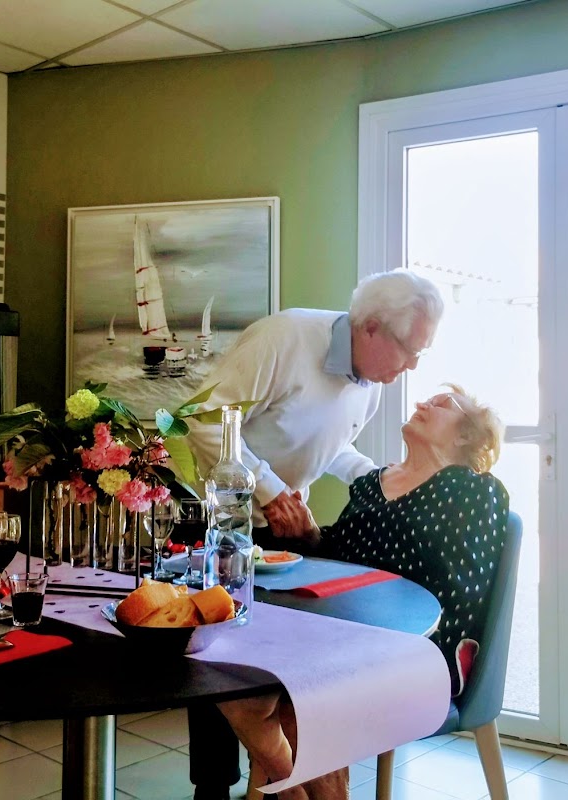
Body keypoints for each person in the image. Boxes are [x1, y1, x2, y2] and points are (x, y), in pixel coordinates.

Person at [184, 270, 444, 800]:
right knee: (213, 655)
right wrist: (270, 490)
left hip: (282, 532)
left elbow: (333, 446)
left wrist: (379, 477)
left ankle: (279, 783)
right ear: (370, 327)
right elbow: (204, 420)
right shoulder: (284, 338)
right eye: (409, 350)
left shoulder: (370, 386)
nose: (413, 366)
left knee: (278, 671)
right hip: (219, 517)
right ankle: (212, 789)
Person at [218, 386, 510, 799]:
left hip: (420, 651)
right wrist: (309, 533)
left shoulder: (475, 491)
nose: (423, 403)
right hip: (341, 639)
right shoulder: (371, 484)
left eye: (441, 404)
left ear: (466, 435)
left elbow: (461, 596)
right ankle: (292, 791)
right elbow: (338, 555)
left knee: (306, 702)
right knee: (233, 677)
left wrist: (372, 628)